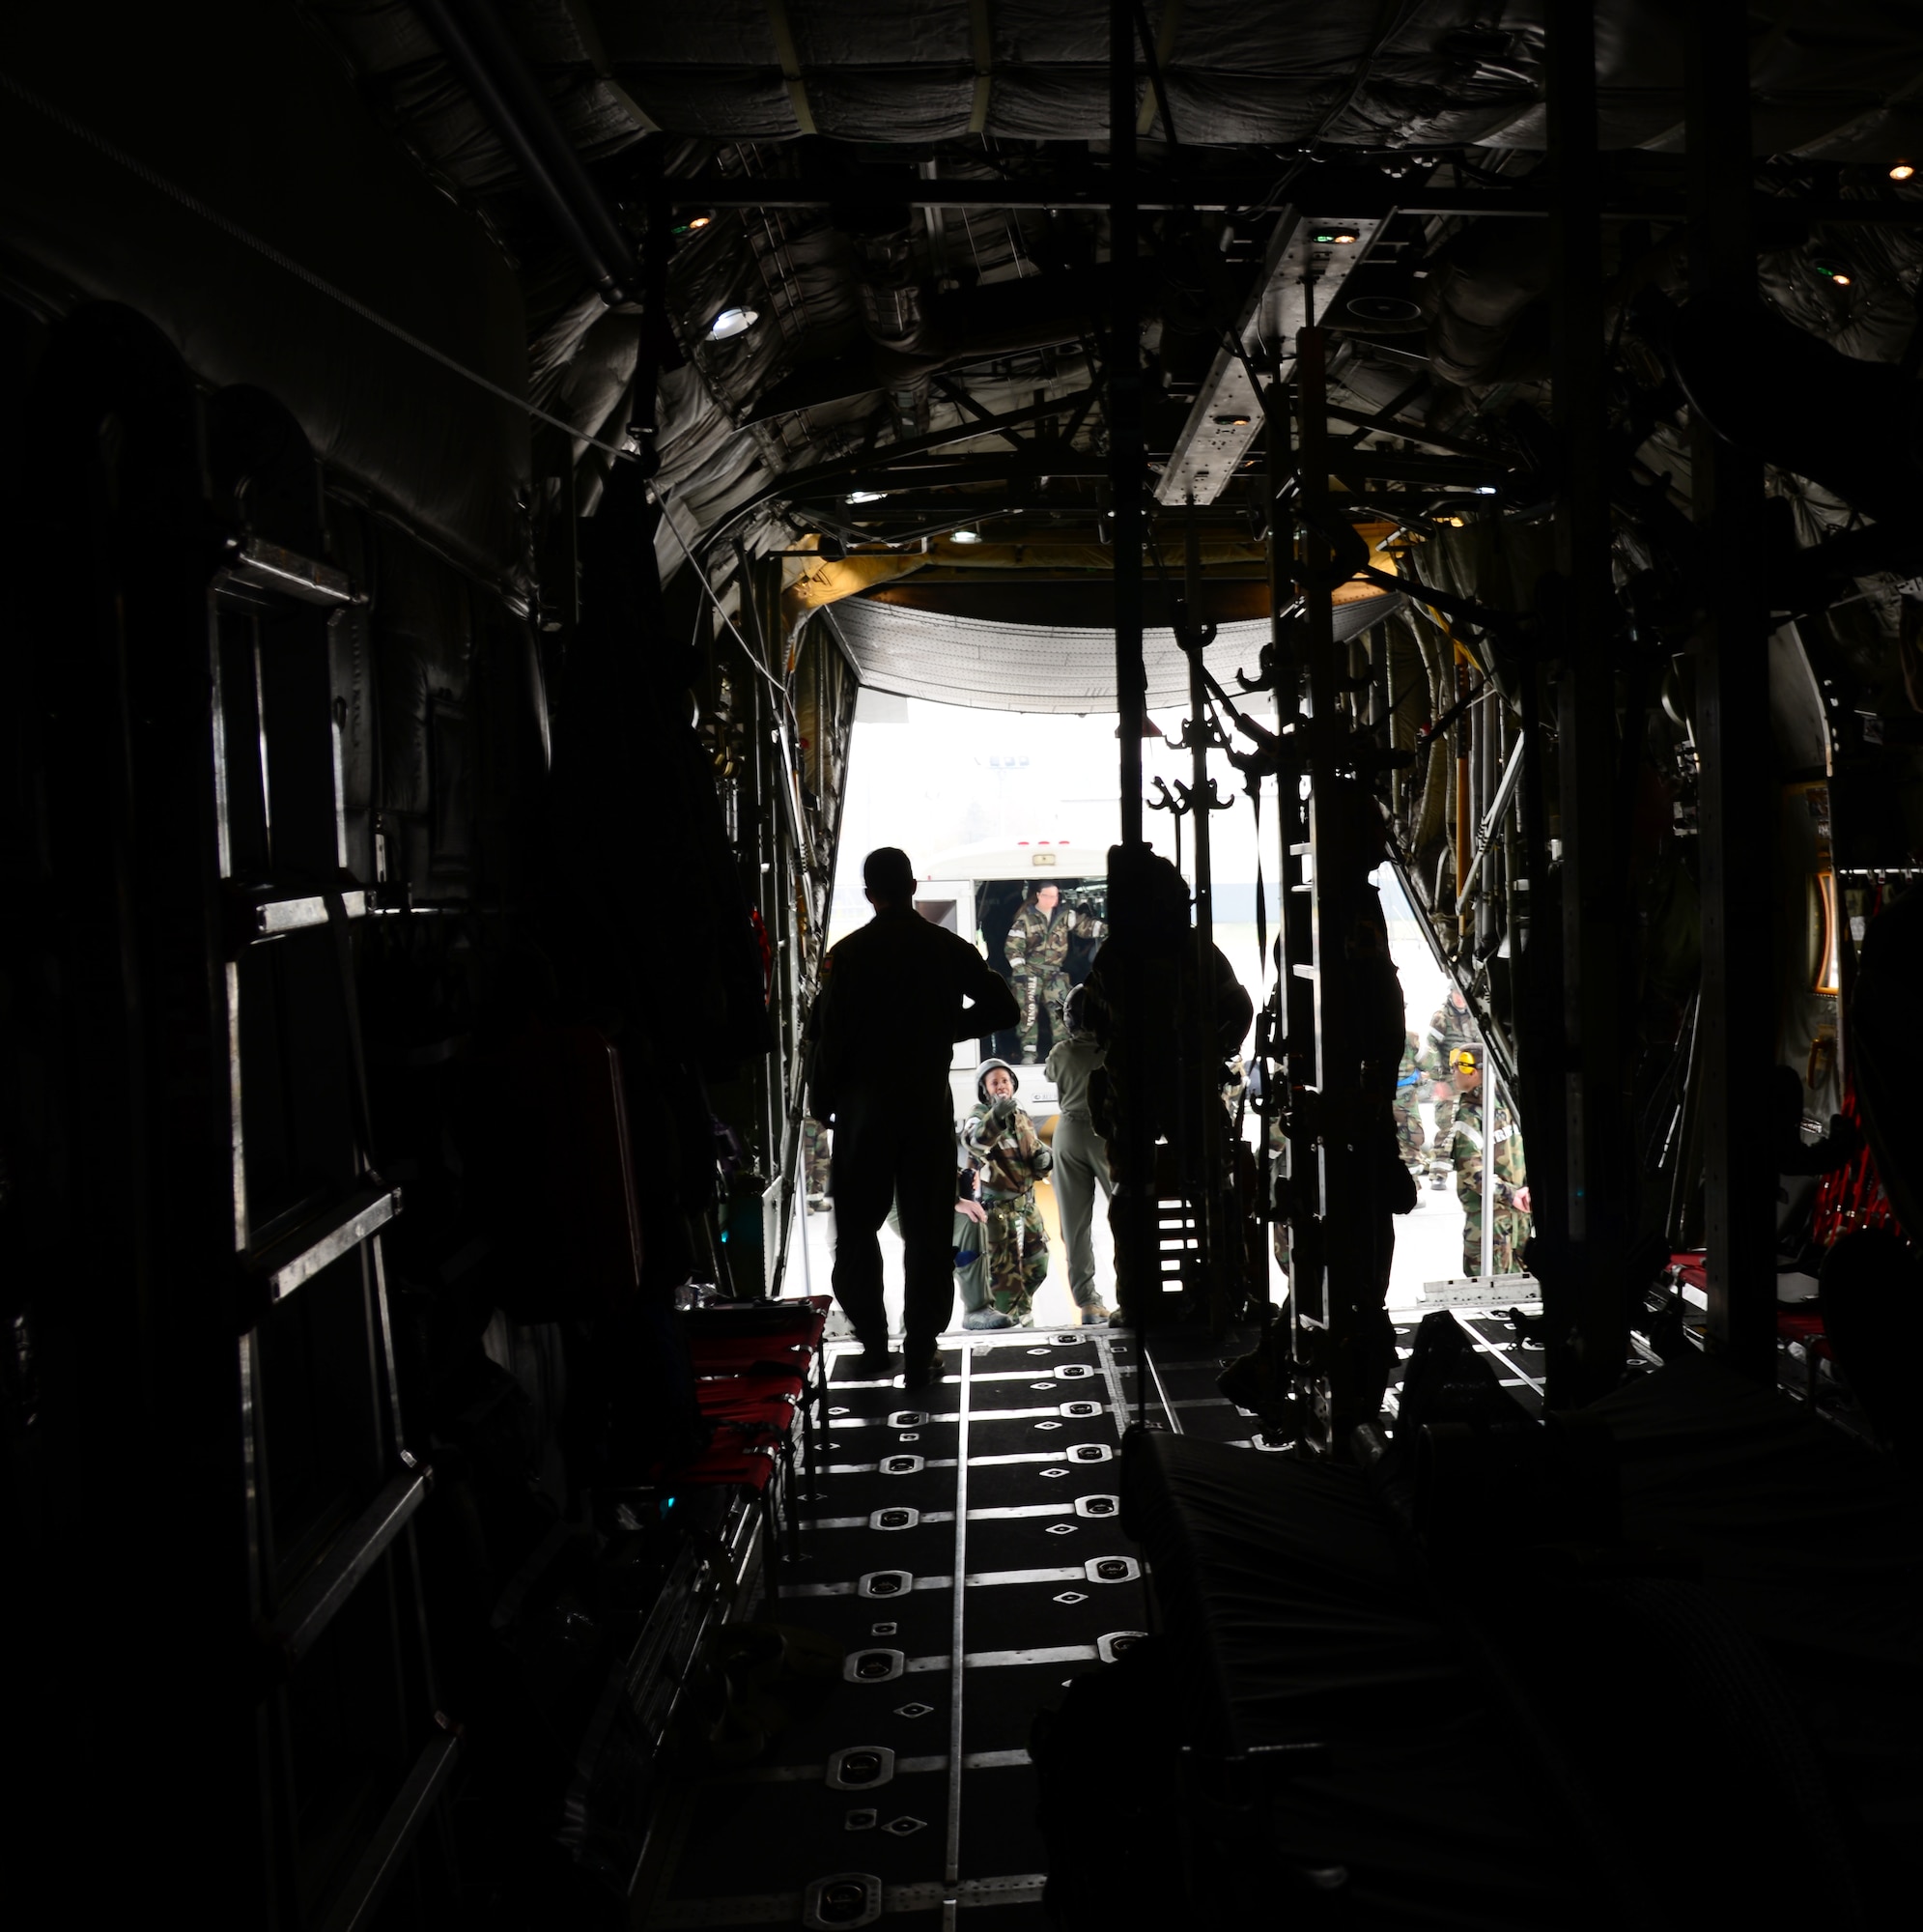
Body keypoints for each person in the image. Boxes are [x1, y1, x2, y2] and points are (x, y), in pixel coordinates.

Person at [806, 847, 1020, 1385]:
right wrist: (943, 1029)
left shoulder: (848, 955)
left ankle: (875, 1344)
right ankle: (922, 1348)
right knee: (926, 1231)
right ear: (911, 887)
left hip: (864, 1111)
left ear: (870, 893)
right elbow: (1003, 1008)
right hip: (925, 1108)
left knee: (856, 1231)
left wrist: (822, 1101)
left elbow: (826, 1036)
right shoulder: (945, 947)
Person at [960, 1059, 1054, 1325]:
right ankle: (1010, 1329)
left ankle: (1022, 1312)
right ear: (985, 1089)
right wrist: (996, 1116)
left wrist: (1044, 1160)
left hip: (1027, 1207)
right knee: (1004, 1278)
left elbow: (1032, 1154)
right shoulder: (980, 1114)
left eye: (1005, 1081)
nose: (1001, 1086)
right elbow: (974, 1140)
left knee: (1038, 1267)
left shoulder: (1021, 1116)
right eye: (994, 1082)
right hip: (999, 1214)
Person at [1044, 983, 1116, 1325]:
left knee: (1074, 1225)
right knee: (1124, 1215)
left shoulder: (1062, 1052)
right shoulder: (1113, 1051)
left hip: (1068, 1133)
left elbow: (1050, 1073)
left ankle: (1087, 1301)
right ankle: (1132, 1294)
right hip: (1105, 1133)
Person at [1448, 1045, 1531, 1276]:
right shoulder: (1513, 1100)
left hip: (1489, 1226)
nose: (1453, 1072)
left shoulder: (1471, 1112)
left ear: (1472, 1071)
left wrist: (1512, 1195)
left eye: (1456, 1067)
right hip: (1521, 1218)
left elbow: (1472, 1171)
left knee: (1491, 1296)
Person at [1004, 880, 1108, 1064]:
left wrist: (1108, 929)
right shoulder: (1026, 919)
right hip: (1030, 972)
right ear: (1039, 896)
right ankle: (1029, 1052)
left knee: (1061, 1010)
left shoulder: (1064, 916)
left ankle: (1062, 1050)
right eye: (1049, 896)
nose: (1054, 899)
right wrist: (1021, 971)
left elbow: (1085, 927)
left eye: (1056, 896)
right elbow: (1012, 948)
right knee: (1028, 1012)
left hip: (1053, 972)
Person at [1420, 985, 1477, 1187]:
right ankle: (1438, 1174)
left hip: (1472, 1081)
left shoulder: (1473, 1015)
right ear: (1451, 994)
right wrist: (1438, 1081)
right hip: (1449, 1081)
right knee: (1447, 1127)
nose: (1460, 999)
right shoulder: (1442, 1017)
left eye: (1462, 995)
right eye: (1456, 995)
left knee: (1476, 1127)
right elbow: (1431, 1048)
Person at [951, 1164, 1015, 1330]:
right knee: (970, 1221)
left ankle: (911, 1330)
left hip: (927, 1190)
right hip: (909, 1196)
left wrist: (960, 1175)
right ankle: (976, 1308)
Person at [1394, 1030, 1425, 1171]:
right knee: (1410, 1148)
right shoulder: (1411, 1037)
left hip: (1375, 1100)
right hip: (1405, 1102)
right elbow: (1428, 1063)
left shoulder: (1364, 1036)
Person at [802, 1117, 832, 1211]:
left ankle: (816, 1199)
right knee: (807, 1158)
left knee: (822, 1158)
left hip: (819, 1115)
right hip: (804, 1114)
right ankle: (802, 1201)